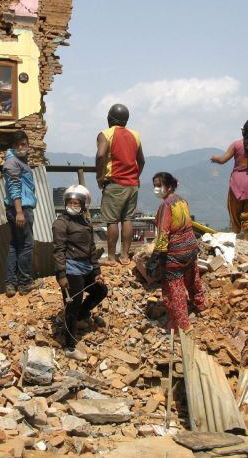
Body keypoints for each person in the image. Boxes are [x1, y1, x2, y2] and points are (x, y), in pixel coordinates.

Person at [53, 185, 108, 360]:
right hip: (70, 269)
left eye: (77, 203)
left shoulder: (85, 222)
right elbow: (58, 250)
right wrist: (61, 275)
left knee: (101, 291)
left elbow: (91, 248)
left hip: (86, 267)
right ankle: (69, 347)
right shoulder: (61, 223)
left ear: (84, 205)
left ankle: (82, 316)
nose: (73, 205)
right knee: (72, 306)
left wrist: (97, 270)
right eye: (70, 202)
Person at [145, 172, 205, 330]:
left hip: (176, 251)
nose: (156, 189)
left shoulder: (166, 205)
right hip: (191, 246)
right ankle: (200, 305)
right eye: (155, 186)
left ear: (169, 186)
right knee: (192, 277)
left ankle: (181, 325)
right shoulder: (182, 201)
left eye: (159, 185)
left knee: (173, 287)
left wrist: (155, 258)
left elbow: (164, 234)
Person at [96, 104, 145, 266]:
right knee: (127, 219)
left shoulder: (105, 134)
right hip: (132, 184)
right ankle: (124, 256)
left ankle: (111, 258)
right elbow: (142, 160)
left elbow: (101, 155)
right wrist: (134, 176)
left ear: (109, 118)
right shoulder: (135, 135)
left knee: (112, 221)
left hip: (114, 183)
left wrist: (100, 176)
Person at [210, 120, 248, 240]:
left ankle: (235, 241)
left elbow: (222, 160)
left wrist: (214, 158)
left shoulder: (236, 145)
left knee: (235, 214)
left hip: (237, 183)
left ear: (245, 131)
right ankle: (246, 242)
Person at [3, 131, 40, 297]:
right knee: (26, 244)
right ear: (13, 146)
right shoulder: (13, 162)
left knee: (15, 245)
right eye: (18, 144)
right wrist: (19, 212)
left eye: (24, 144)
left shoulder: (19, 161)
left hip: (18, 209)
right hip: (20, 209)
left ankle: (11, 284)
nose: (21, 147)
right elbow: (14, 188)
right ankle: (25, 283)